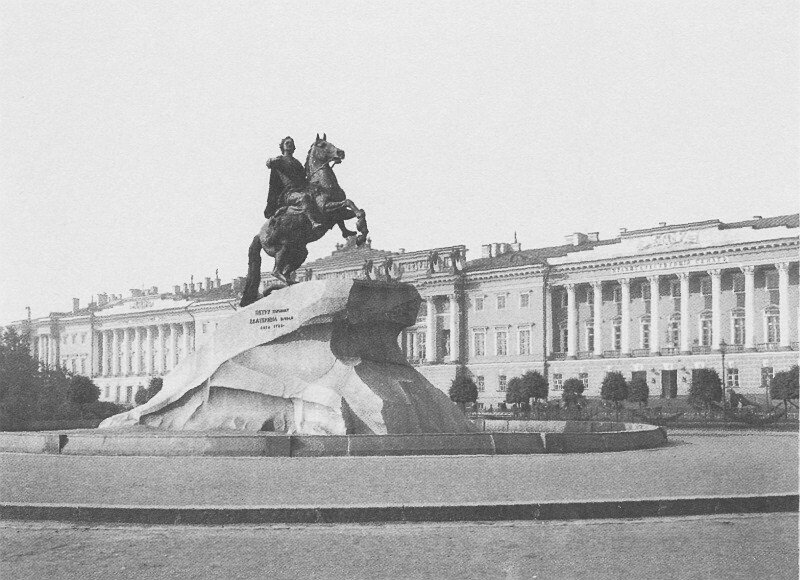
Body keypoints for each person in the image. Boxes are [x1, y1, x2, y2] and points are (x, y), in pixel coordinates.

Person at [264, 136, 325, 233]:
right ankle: (313, 222)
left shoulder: (297, 162)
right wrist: (271, 160)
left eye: (292, 143)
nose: (290, 144)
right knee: (304, 197)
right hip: (289, 193)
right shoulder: (279, 160)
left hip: (301, 189)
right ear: (282, 147)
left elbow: (304, 178)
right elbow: (268, 163)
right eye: (287, 143)